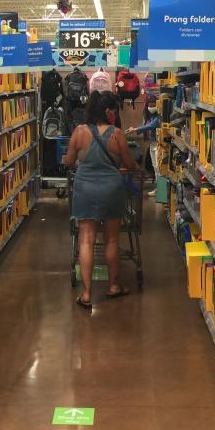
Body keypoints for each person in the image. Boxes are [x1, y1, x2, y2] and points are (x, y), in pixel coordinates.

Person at [63, 91, 138, 310]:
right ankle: (113, 286)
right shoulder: (117, 134)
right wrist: (130, 167)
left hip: (84, 188)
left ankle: (86, 294)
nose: (115, 113)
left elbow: (68, 162)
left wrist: (79, 162)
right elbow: (129, 164)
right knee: (112, 240)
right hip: (111, 189)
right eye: (113, 109)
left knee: (86, 240)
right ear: (107, 111)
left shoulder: (79, 131)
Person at [127, 96, 161, 184]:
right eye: (149, 106)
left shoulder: (159, 117)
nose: (151, 108)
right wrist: (135, 129)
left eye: (153, 106)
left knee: (159, 167)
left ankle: (161, 189)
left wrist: (135, 129)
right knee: (155, 167)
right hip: (152, 143)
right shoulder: (151, 116)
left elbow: (151, 126)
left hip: (159, 144)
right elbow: (148, 125)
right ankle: (158, 188)